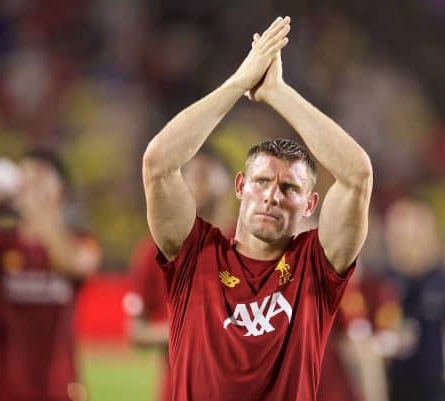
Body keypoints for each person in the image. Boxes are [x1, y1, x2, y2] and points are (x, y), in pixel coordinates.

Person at [142, 16, 373, 401]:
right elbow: (157, 164)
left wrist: (277, 93)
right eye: (262, 182)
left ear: (310, 203)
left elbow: (358, 175)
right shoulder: (196, 254)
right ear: (240, 187)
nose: (272, 196)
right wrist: (238, 83)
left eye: (289, 187)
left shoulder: (315, 267)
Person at [0, 150, 101, 401]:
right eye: (24, 178)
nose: (27, 185)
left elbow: (75, 265)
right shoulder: (0, 244)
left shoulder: (81, 241)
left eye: (39, 178)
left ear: (61, 190)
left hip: (60, 391)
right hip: (5, 392)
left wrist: (36, 207)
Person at [124, 152, 233, 401]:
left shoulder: (255, 246)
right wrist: (192, 326)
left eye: (203, 175)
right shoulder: (156, 251)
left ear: (231, 184)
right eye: (189, 176)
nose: (194, 183)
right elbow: (136, 332)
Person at [379, 199, 445, 401]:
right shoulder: (382, 280)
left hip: (433, 385)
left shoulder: (444, 279)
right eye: (399, 235)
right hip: (393, 385)